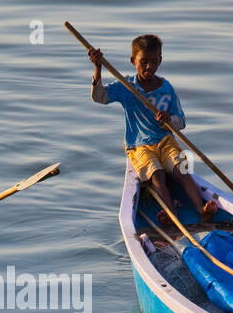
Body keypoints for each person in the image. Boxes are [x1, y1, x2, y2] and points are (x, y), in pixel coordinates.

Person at [89, 33, 216, 225]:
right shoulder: (126, 86)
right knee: (157, 175)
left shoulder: (166, 88)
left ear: (160, 61)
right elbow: (99, 97)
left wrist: (169, 120)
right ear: (133, 61)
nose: (148, 67)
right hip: (139, 146)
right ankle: (171, 215)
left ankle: (202, 210)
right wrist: (98, 68)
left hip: (165, 140)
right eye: (143, 62)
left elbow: (181, 122)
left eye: (153, 62)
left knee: (183, 170)